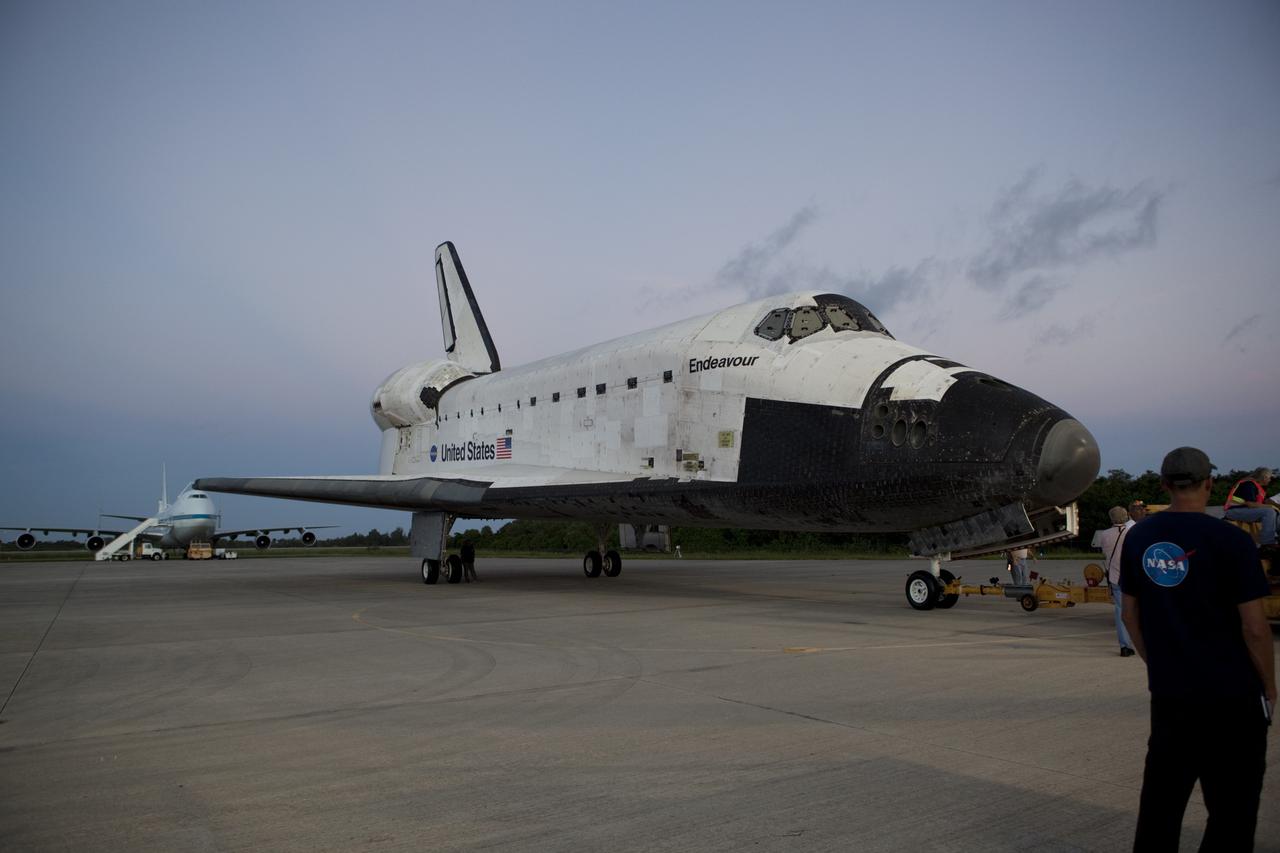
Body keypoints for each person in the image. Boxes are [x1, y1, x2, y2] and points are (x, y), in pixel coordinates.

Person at [1120, 447, 1275, 852]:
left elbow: (1130, 614)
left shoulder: (1140, 537)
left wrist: (1158, 661)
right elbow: (1255, 629)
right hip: (1234, 699)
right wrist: (1270, 688)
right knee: (1232, 813)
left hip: (1172, 698)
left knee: (1160, 808)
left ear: (1164, 485)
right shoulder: (1232, 541)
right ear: (1209, 483)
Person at [1097, 506, 1135, 657]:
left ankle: (1125, 646)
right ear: (1126, 516)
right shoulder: (1132, 531)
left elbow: (1105, 552)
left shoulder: (1105, 534)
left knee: (1121, 611)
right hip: (1132, 576)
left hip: (1115, 576)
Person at [1223, 467, 1278, 547]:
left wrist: (1275, 507)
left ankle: (1275, 538)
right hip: (1233, 511)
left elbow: (1263, 503)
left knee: (1274, 512)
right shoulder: (1248, 484)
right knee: (1269, 511)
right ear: (1264, 477)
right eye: (1270, 478)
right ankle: (1267, 543)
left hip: (1243, 511)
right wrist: (1272, 506)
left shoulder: (1257, 487)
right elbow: (1251, 504)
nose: (1270, 480)